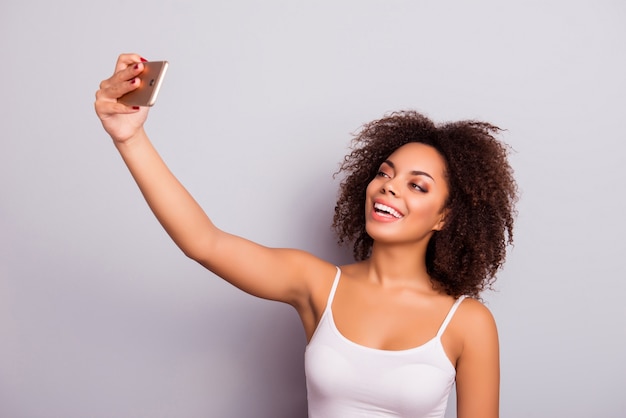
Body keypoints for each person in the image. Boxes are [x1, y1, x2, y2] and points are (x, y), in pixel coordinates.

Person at [95, 53, 518, 418]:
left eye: (417, 185)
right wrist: (130, 138)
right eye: (385, 173)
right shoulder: (318, 285)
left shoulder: (468, 323)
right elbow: (204, 243)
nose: (389, 186)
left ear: (446, 217)